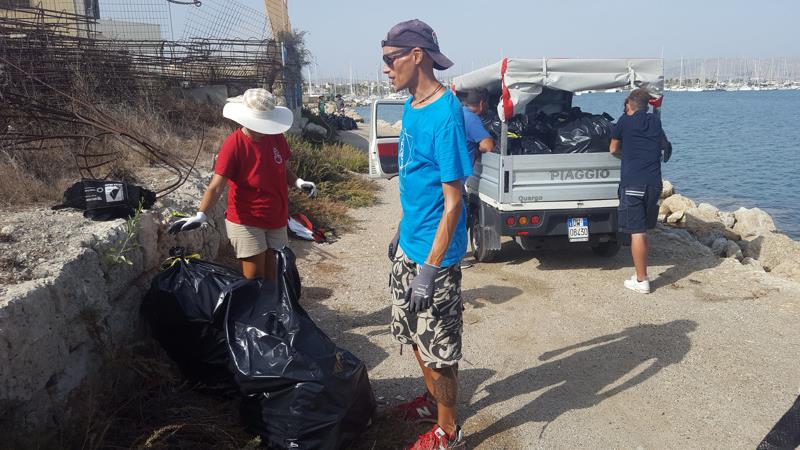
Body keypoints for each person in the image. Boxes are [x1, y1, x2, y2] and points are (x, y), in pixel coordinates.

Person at [382, 19, 471, 450]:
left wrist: (430, 269)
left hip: (435, 260)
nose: (384, 68)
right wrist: (401, 230)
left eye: (389, 59)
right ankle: (429, 400)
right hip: (410, 245)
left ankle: (448, 430)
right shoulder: (411, 106)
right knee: (412, 335)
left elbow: (453, 203)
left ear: (416, 55)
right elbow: (416, 179)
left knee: (441, 352)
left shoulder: (446, 114)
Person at [169, 88, 317, 281]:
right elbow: (216, 185)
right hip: (247, 221)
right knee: (255, 279)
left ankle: (273, 311)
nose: (264, 128)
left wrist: (299, 182)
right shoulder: (234, 145)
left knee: (276, 277)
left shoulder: (276, 137)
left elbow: (282, 169)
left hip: (276, 218)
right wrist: (201, 214)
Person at [610, 88, 663, 294]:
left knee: (637, 232)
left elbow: (613, 149)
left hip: (633, 184)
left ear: (630, 105)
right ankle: (639, 274)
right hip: (654, 184)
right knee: (643, 230)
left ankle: (642, 281)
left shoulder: (625, 121)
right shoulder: (656, 122)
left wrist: (626, 156)